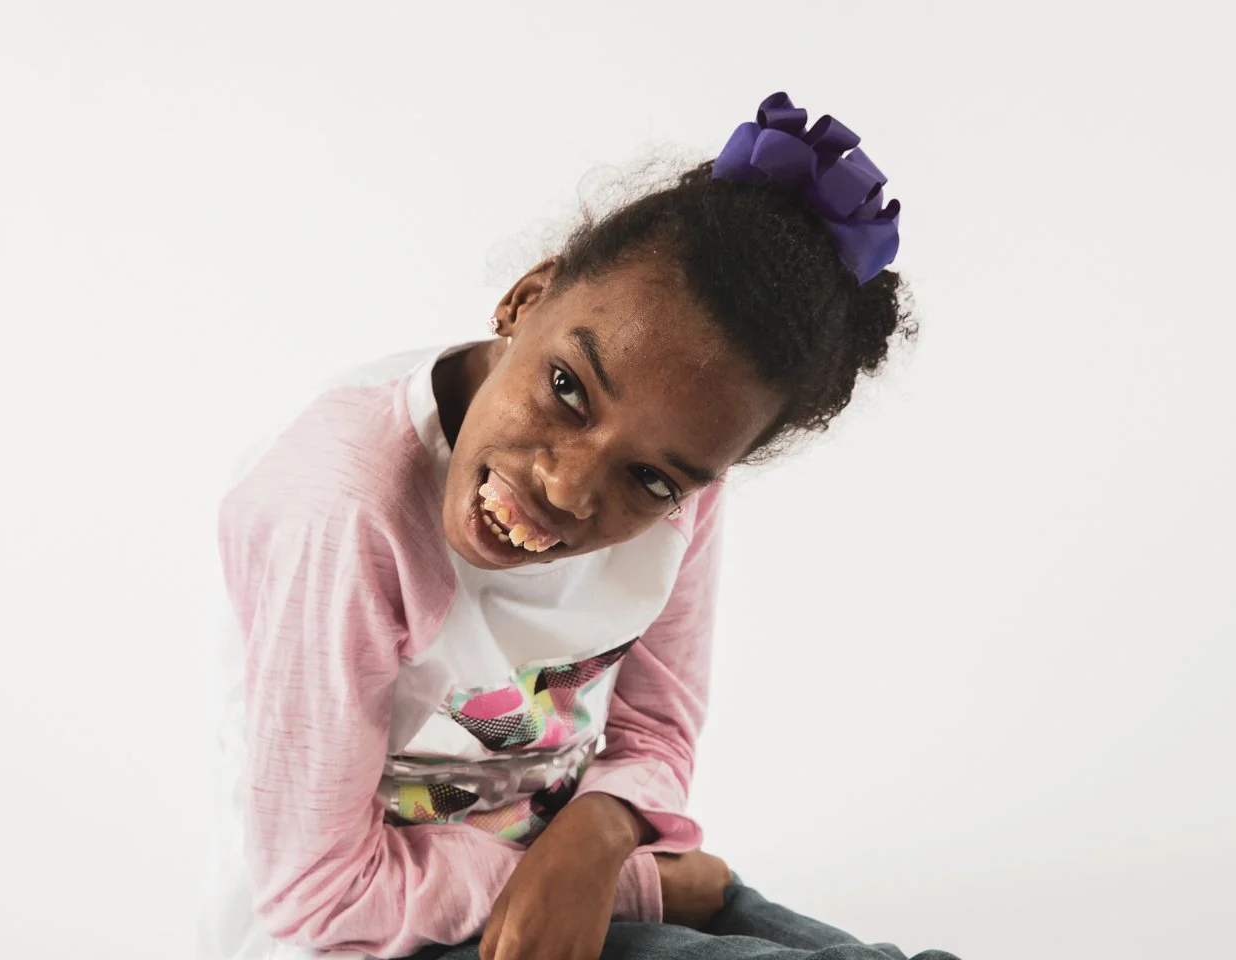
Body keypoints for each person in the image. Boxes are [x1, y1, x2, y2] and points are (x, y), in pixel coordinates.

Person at [200, 92, 958, 960]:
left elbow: (655, 732)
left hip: (584, 874)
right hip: (383, 929)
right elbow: (318, 897)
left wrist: (600, 838)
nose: (565, 487)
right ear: (525, 299)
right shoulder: (343, 510)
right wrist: (650, 885)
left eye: (649, 478)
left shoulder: (685, 491)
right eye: (568, 388)